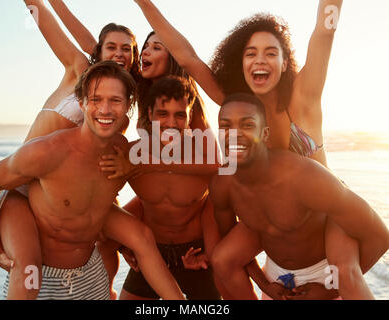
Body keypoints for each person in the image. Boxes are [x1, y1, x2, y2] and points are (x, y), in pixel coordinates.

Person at [134, 0, 380, 300]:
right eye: (251, 53)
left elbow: (324, 33)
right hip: (269, 213)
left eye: (270, 53)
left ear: (285, 62)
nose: (259, 60)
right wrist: (143, 3)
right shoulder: (238, 105)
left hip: (322, 213)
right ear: (240, 62)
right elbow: (187, 58)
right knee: (224, 260)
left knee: (347, 275)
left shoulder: (304, 97)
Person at [0, 61, 185, 300]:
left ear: (128, 105)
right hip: (41, 280)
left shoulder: (120, 151)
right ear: (82, 103)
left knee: (142, 236)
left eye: (115, 100)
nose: (105, 110)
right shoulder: (48, 152)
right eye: (96, 99)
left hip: (91, 276)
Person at [0, 0, 142, 299]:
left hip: (60, 191)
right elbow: (48, 23)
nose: (119, 53)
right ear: (98, 51)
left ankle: (107, 290)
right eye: (111, 47)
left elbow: (99, 160)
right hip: (21, 186)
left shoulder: (118, 112)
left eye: (127, 48)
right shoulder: (78, 69)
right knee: (28, 272)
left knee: (103, 242)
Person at [209, 93, 389, 300]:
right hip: (279, 278)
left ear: (265, 133)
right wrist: (265, 285)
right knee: (221, 258)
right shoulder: (222, 185)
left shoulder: (303, 177)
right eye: (225, 126)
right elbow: (231, 247)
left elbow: (380, 237)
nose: (234, 134)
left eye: (247, 125)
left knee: (347, 272)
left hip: (329, 277)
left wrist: (330, 290)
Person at [100, 76, 223, 300]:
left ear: (189, 118)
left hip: (195, 254)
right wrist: (124, 241)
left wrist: (211, 255)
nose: (171, 123)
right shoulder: (129, 156)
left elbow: (222, 198)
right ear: (149, 115)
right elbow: (103, 201)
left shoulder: (204, 160)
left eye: (179, 115)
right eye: (162, 114)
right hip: (150, 255)